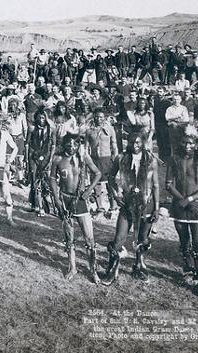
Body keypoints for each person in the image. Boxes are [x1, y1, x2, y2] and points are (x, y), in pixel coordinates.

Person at [103, 132, 159, 285]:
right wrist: (116, 195)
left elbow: (155, 185)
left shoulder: (150, 160)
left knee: (142, 239)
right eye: (132, 142)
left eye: (138, 142)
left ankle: (139, 266)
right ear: (128, 143)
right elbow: (110, 177)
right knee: (119, 238)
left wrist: (157, 208)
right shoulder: (121, 158)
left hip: (146, 205)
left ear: (143, 143)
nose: (135, 145)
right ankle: (112, 271)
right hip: (127, 205)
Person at [166, 127, 198, 298]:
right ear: (180, 143)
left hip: (196, 207)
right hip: (179, 207)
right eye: (184, 142)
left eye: (191, 143)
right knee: (184, 242)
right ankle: (189, 271)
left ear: (195, 145)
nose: (187, 146)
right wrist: (182, 200)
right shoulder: (174, 159)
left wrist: (190, 200)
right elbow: (168, 184)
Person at [49, 133, 102, 283]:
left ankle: (93, 270)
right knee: (69, 238)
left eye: (75, 145)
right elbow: (52, 179)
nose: (71, 148)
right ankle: (72, 267)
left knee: (89, 239)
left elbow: (98, 173)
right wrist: (57, 199)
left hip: (80, 200)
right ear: (63, 145)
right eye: (68, 145)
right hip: (65, 200)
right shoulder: (58, 159)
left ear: (78, 145)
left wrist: (89, 190)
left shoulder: (83, 158)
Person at [85, 109, 118, 215]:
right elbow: (86, 146)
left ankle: (114, 205)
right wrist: (87, 158)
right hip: (95, 159)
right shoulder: (89, 130)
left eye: (101, 117)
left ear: (104, 118)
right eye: (96, 117)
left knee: (110, 182)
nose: (98, 119)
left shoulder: (109, 129)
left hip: (107, 158)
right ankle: (100, 207)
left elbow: (114, 145)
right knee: (96, 182)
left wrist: (115, 158)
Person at [26, 110, 55, 216]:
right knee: (35, 180)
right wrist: (27, 158)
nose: (41, 120)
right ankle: (37, 205)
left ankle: (50, 206)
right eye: (39, 118)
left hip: (46, 157)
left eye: (43, 118)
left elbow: (53, 146)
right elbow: (27, 144)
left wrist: (50, 159)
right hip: (34, 156)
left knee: (46, 181)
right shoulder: (32, 128)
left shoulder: (50, 129)